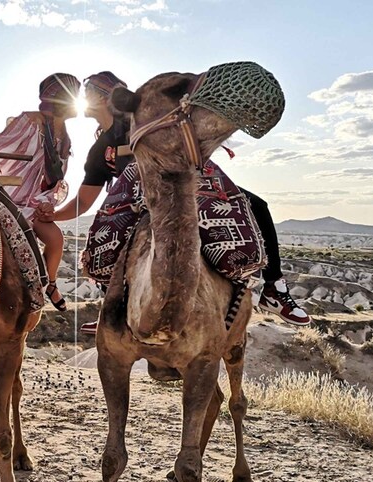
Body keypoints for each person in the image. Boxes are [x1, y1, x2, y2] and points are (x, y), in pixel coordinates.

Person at [40, 71, 310, 333]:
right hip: (133, 204)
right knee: (104, 239)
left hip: (179, 185)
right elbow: (84, 201)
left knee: (257, 205)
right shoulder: (101, 150)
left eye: (88, 92)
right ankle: (111, 311)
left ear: (102, 97)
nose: (83, 98)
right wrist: (53, 215)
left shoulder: (145, 119)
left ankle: (274, 288)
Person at [0, 72, 81, 311]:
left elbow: (54, 180)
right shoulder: (30, 121)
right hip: (7, 197)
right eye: (74, 95)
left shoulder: (64, 138)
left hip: (34, 203)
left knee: (56, 239)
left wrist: (47, 203)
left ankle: (48, 284)